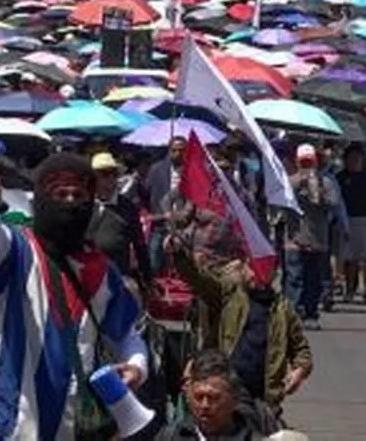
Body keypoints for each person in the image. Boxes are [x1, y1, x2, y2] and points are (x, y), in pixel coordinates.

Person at [0, 155, 148, 439]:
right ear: (41, 199)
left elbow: (126, 334)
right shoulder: (14, 250)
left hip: (70, 426)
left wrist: (136, 367)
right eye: (60, 194)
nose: (70, 203)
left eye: (78, 195)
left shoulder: (100, 270)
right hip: (3, 424)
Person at [165, 234, 311, 418]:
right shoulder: (228, 292)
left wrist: (300, 370)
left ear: (274, 272)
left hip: (263, 400)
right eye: (253, 267)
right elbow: (198, 279)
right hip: (223, 393)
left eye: (265, 269)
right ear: (243, 266)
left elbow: (301, 349)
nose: (257, 275)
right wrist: (179, 254)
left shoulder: (282, 308)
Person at [155, 350, 280, 440]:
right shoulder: (170, 436)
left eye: (213, 398)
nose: (205, 405)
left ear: (234, 399)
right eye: (199, 397)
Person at [285, 144, 343, 330]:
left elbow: (334, 203)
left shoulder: (326, 182)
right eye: (303, 162)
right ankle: (292, 314)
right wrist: (299, 186)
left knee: (313, 279)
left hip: (318, 239)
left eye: (310, 162)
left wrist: (318, 192)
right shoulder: (290, 181)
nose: (307, 166)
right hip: (294, 238)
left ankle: (311, 313)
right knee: (294, 278)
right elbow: (281, 202)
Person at [88, 151, 152, 288]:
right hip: (88, 278)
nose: (110, 179)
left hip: (117, 279)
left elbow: (140, 245)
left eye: (113, 174)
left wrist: (148, 279)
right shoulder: (83, 205)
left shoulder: (127, 208)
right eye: (104, 174)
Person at [336, 146, 366, 303]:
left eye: (358, 158)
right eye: (352, 158)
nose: (355, 161)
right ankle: (349, 290)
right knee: (351, 259)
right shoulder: (341, 178)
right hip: (348, 221)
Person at [145, 136, 188, 273]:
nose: (177, 154)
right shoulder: (156, 169)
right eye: (174, 150)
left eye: (181, 150)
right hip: (161, 222)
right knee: (154, 262)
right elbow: (147, 193)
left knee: (182, 267)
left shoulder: (191, 171)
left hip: (183, 226)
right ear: (169, 151)